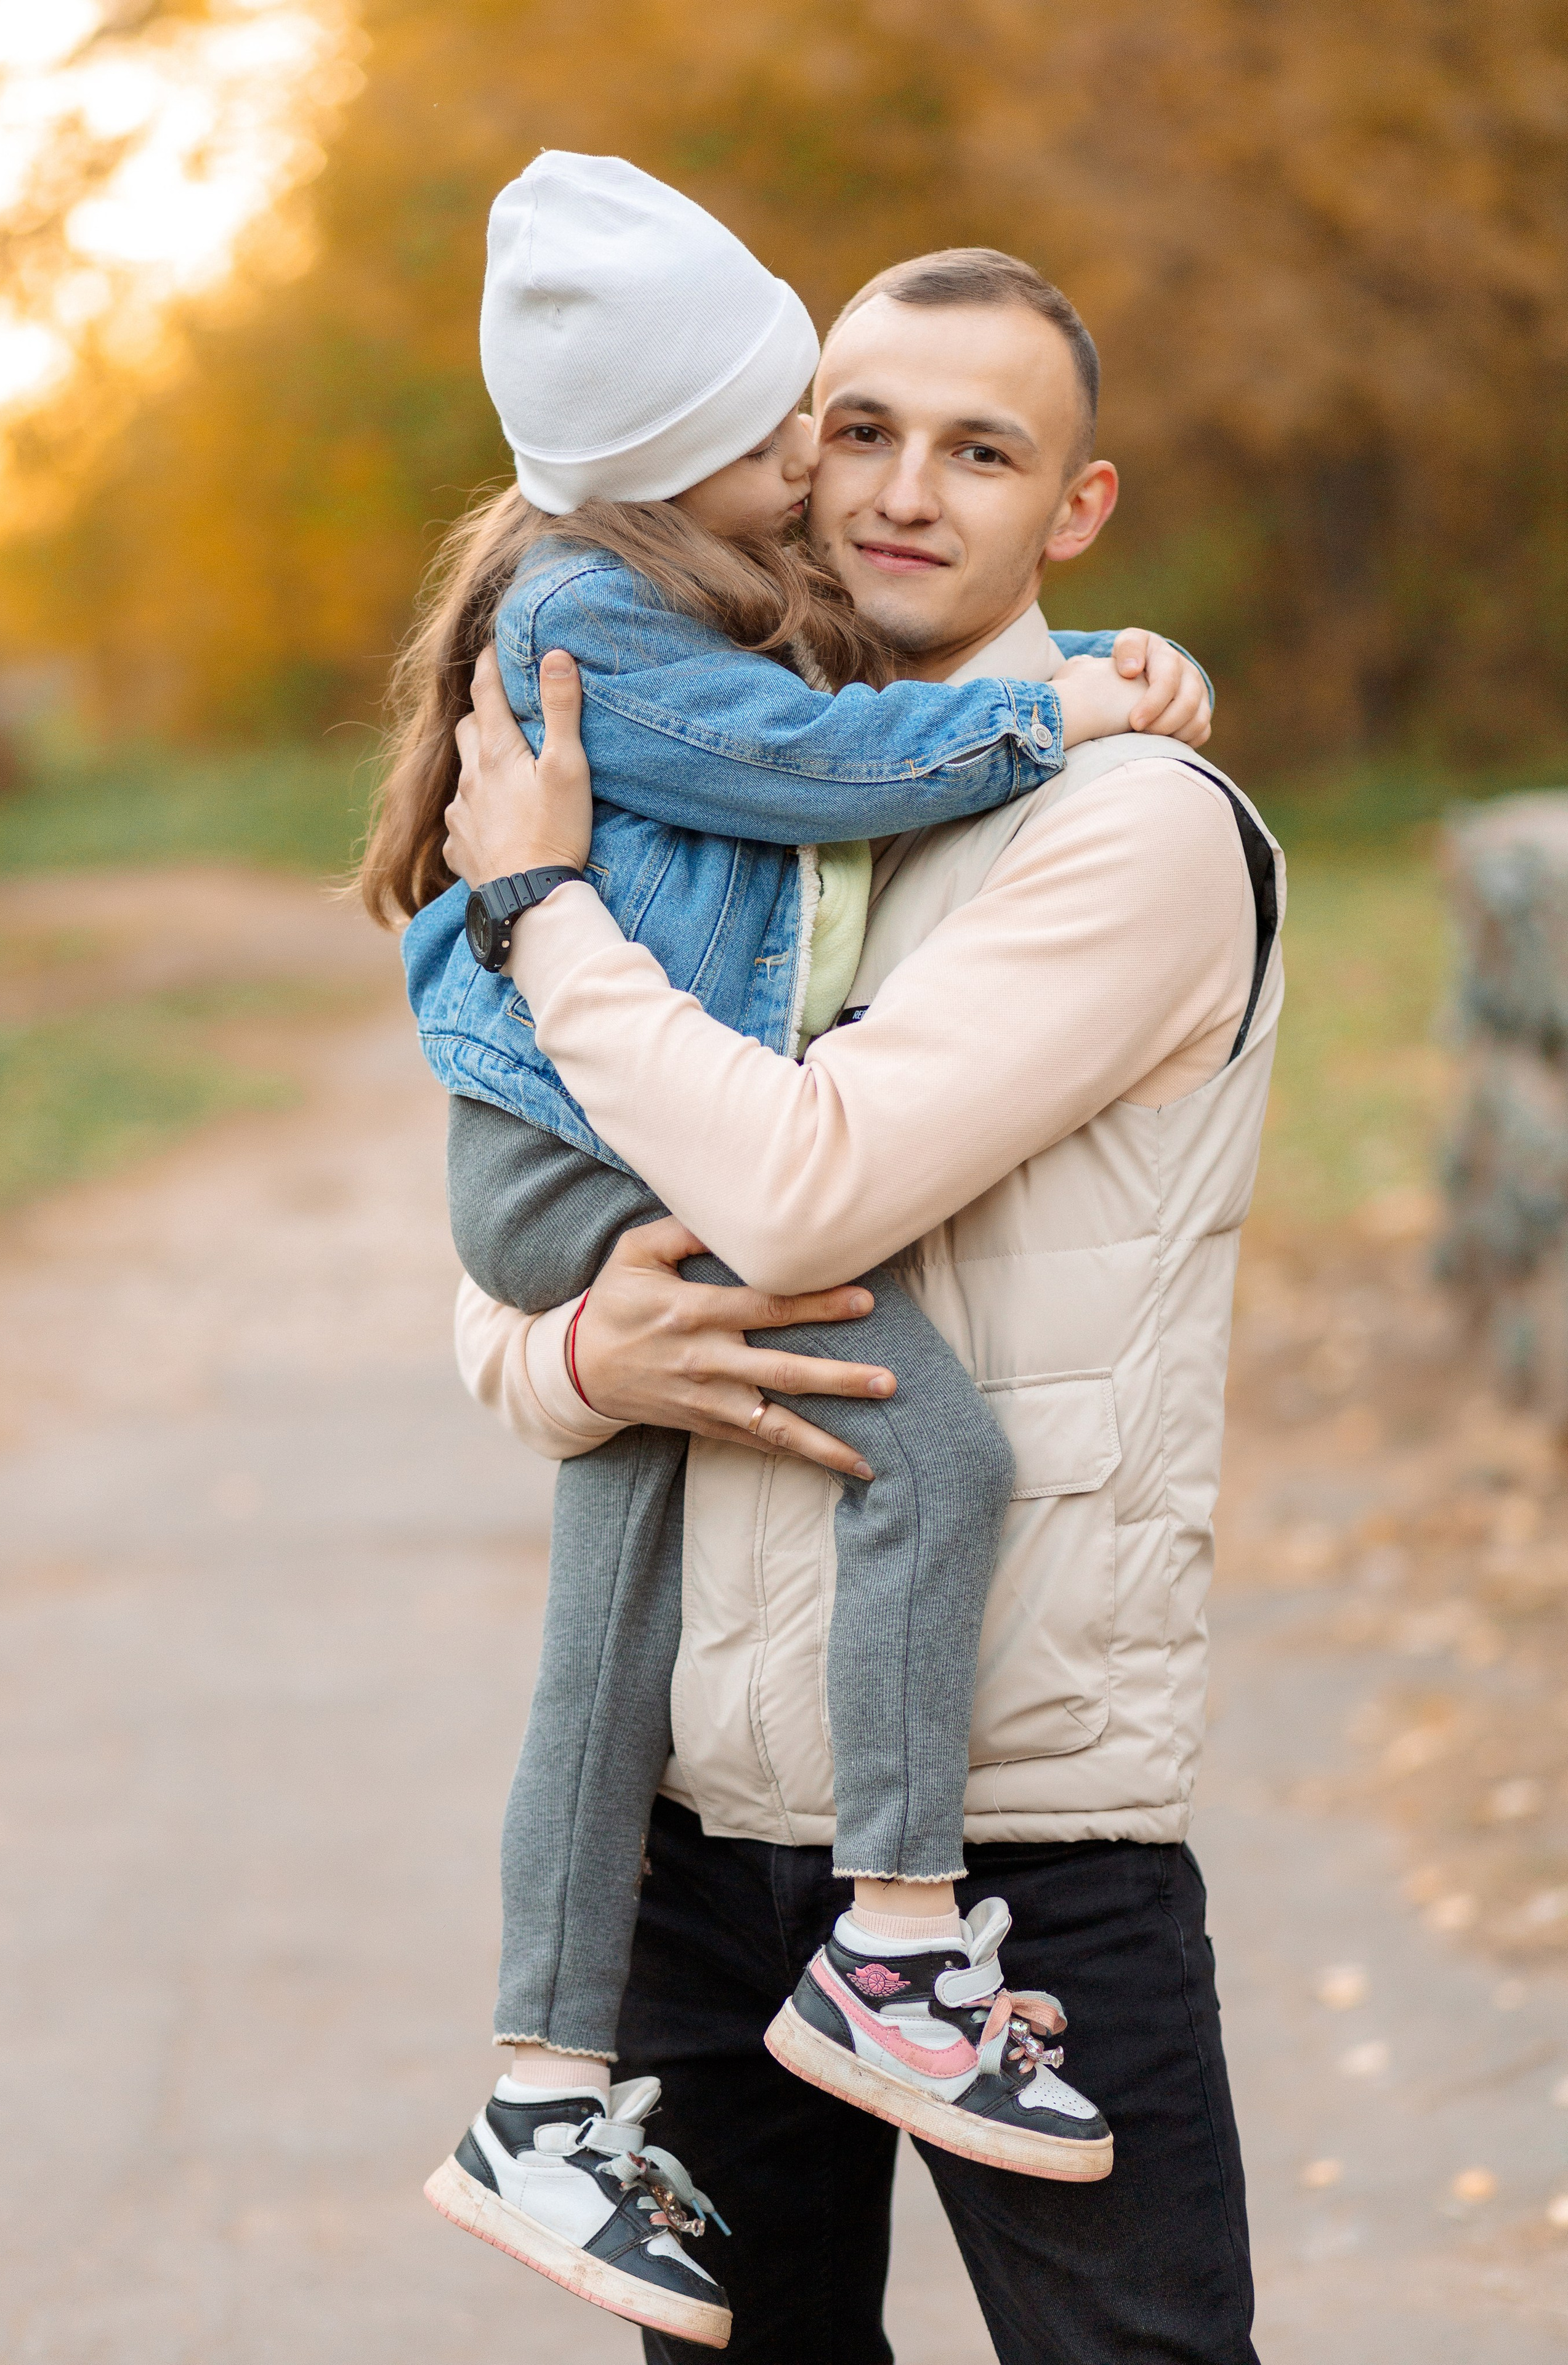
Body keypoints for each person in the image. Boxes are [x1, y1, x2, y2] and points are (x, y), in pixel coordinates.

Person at [362, 156, 1213, 2347]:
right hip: (709, 1813)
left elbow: (796, 1193)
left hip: (1013, 1827)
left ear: (1076, 504)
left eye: (984, 448)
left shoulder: (1121, 819)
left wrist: (544, 910)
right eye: (855, 425)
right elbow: (538, 1266)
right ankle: (550, 2084)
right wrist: (568, 1368)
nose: (899, 488)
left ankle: (883, 1952)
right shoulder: (729, 708)